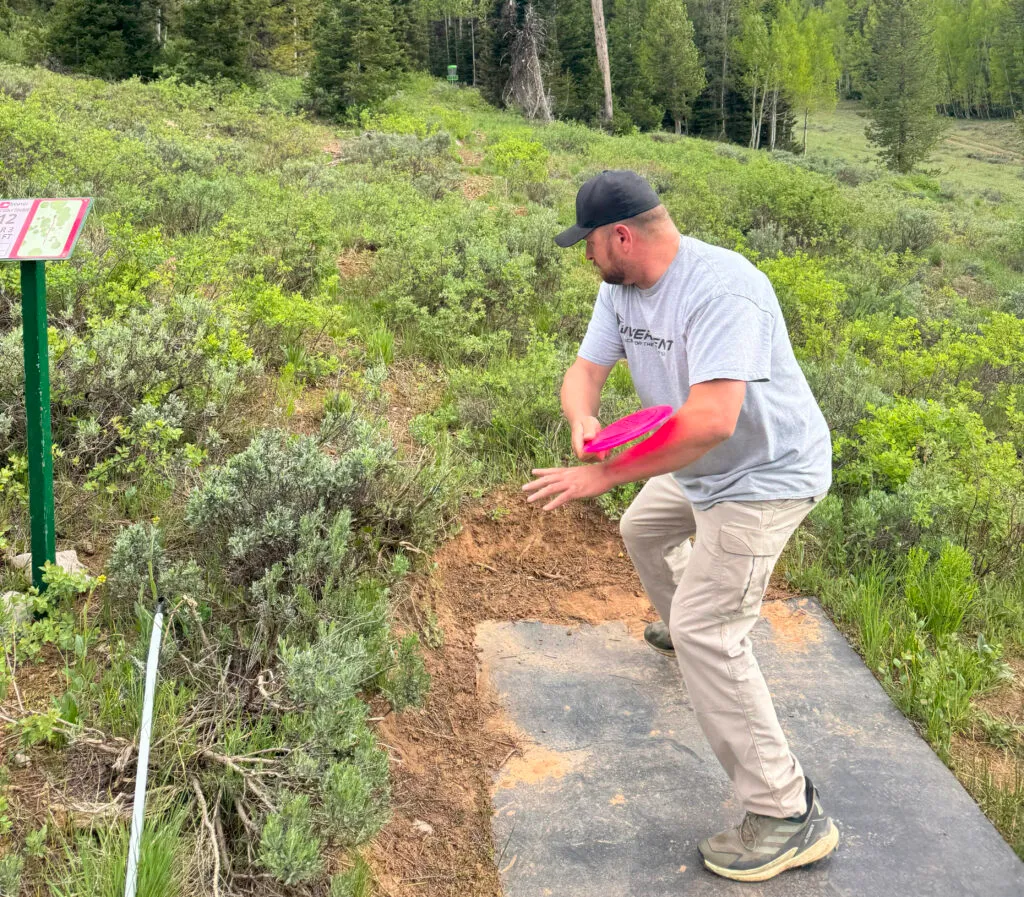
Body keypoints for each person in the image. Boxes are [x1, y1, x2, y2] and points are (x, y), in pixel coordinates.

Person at [522, 170, 839, 883]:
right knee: (643, 531)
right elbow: (584, 371)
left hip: (763, 475)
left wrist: (601, 474)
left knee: (709, 628)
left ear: (622, 235)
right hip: (698, 465)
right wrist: (584, 421)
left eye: (589, 243)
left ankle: (788, 812)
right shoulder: (621, 287)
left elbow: (712, 421)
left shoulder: (723, 289)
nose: (585, 257)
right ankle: (691, 632)